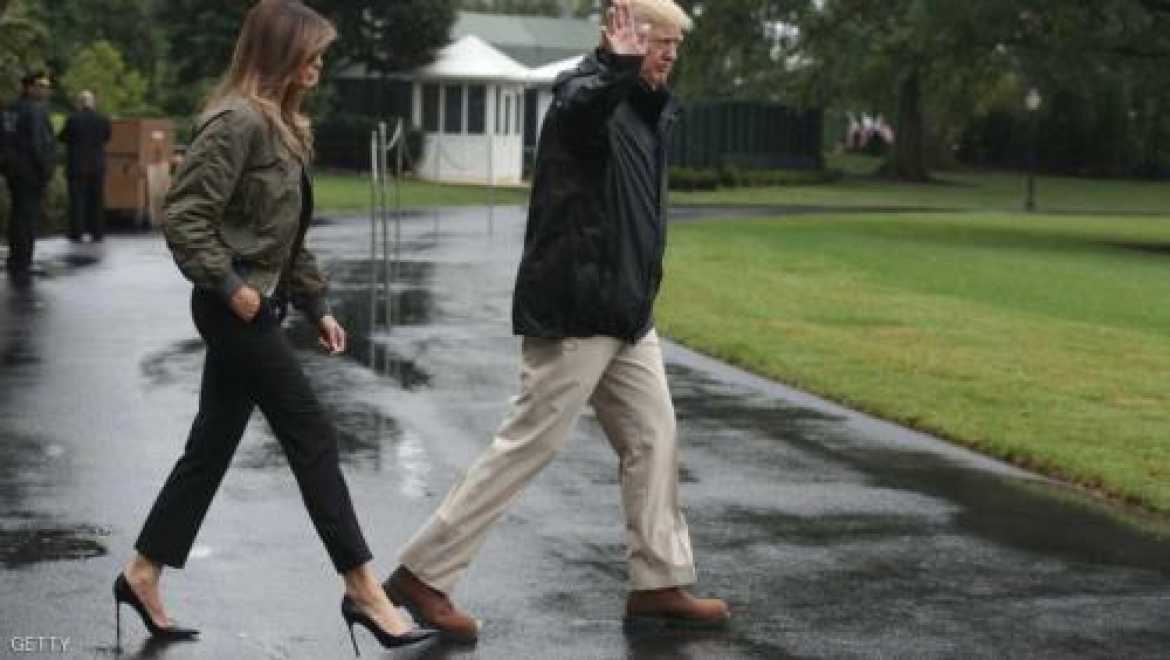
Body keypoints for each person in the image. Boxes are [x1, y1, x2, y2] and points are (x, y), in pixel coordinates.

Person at [382, 0, 729, 641]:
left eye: (676, 44)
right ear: (624, 37)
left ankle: (659, 582)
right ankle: (423, 575)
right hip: (576, 307)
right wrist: (615, 67)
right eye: (660, 41)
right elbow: (582, 108)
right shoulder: (584, 89)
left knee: (654, 436)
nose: (670, 54)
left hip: (627, 313)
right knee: (530, 443)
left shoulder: (647, 110)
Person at [114, 1, 435, 654]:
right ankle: (364, 589)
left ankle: (142, 573)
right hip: (234, 309)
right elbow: (184, 216)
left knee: (210, 447)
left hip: (258, 304)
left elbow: (283, 239)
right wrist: (233, 291)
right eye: (312, 52)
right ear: (282, 53)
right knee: (311, 433)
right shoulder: (237, 122)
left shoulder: (281, 126)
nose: (320, 64)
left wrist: (318, 306)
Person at [3, 71, 56, 285]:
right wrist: (46, 169)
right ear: (29, 88)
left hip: (12, 170)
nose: (45, 91)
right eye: (41, 86)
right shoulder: (35, 110)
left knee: (17, 214)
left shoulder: (10, 109)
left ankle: (14, 257)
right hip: (31, 171)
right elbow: (38, 144)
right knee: (28, 217)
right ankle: (23, 260)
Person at [58, 90, 111, 242]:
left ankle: (77, 232)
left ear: (79, 103)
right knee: (97, 200)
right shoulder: (102, 119)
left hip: (77, 166)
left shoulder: (72, 119)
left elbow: (62, 137)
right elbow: (107, 136)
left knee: (77, 201)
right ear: (93, 103)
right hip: (97, 166)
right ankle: (97, 232)